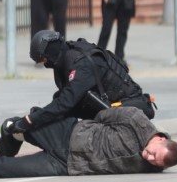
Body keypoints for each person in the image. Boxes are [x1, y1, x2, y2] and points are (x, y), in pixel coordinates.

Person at [0, 106, 177, 180]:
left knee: (6, 171)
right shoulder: (135, 119)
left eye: (155, 162)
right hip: (68, 133)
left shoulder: (151, 166)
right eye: (153, 154)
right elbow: (102, 116)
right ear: (161, 139)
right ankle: (5, 147)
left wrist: (153, 164)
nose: (149, 158)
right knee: (13, 126)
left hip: (67, 165)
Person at [10, 30, 154, 140]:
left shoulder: (81, 65)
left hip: (126, 107)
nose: (45, 64)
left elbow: (66, 102)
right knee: (58, 101)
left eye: (44, 59)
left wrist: (31, 120)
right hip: (106, 104)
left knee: (62, 106)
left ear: (50, 53)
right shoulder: (66, 55)